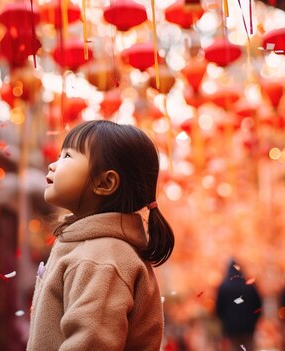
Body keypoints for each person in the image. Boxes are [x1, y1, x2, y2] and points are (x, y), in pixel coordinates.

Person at [27, 120, 176, 350]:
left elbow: (91, 342)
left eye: (67, 157)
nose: (53, 165)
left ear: (105, 183)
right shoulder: (93, 249)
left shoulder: (100, 258)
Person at [215, 258, 262, 351]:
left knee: (235, 348)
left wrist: (225, 322)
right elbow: (258, 305)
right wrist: (254, 321)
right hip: (249, 327)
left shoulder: (223, 287)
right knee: (248, 348)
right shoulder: (249, 285)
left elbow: (219, 309)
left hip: (231, 328)